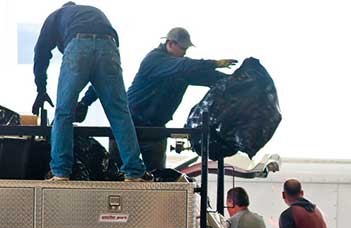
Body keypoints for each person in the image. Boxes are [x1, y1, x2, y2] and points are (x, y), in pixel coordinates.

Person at [75, 27, 237, 171]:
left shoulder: (181, 68)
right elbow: (185, 66)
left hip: (156, 130)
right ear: (170, 43)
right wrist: (213, 63)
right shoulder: (155, 60)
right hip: (130, 126)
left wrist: (236, 81)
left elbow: (205, 76)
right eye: (182, 48)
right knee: (118, 174)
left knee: (156, 178)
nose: (185, 52)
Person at [33, 2, 150, 182]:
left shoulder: (56, 16)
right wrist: (86, 102)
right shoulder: (94, 13)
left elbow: (41, 52)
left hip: (79, 45)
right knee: (119, 112)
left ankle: (61, 173)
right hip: (109, 47)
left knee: (64, 112)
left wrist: (41, 89)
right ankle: (134, 172)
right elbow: (100, 79)